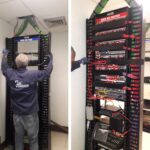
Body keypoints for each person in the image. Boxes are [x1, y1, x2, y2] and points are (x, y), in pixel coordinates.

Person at [1, 49, 53, 150]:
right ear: (27, 63)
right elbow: (47, 73)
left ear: (16, 63)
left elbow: (4, 67)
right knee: (33, 139)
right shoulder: (33, 74)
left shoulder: (11, 74)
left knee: (18, 138)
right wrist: (51, 60)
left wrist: (4, 55)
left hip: (16, 114)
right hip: (30, 114)